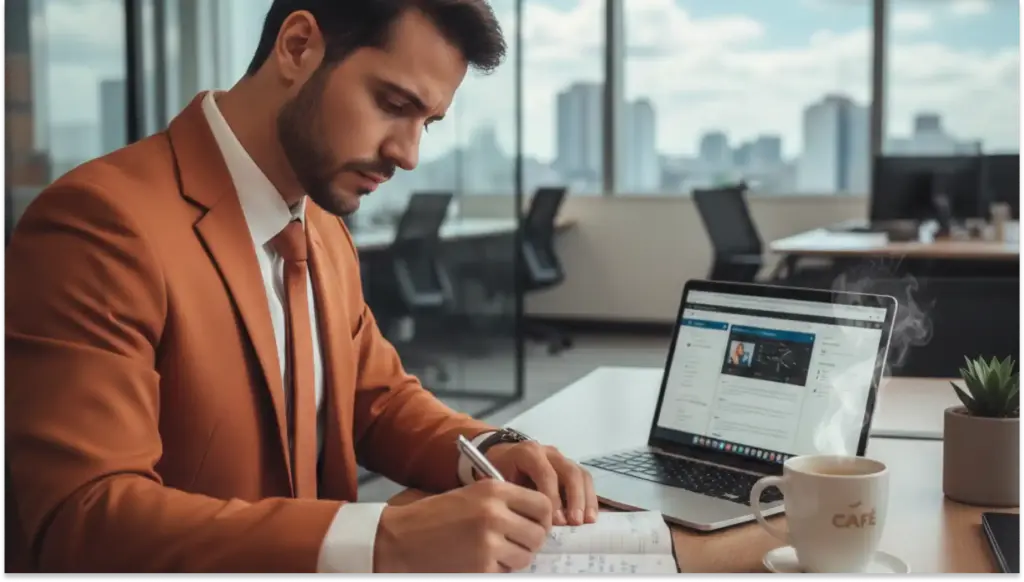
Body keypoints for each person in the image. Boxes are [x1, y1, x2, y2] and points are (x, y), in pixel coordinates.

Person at [4, 0, 597, 574]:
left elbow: (377, 401)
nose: (409, 154)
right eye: (393, 103)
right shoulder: (100, 224)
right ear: (297, 46)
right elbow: (82, 518)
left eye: (428, 124)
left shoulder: (321, 228)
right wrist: (381, 540)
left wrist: (489, 450)